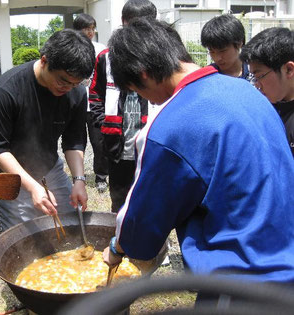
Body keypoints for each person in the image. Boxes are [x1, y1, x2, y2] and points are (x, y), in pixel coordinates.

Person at [103, 17, 294, 305]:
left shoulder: (170, 127)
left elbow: (144, 219)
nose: (148, 101)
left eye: (138, 91)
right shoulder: (247, 91)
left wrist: (118, 247)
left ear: (143, 75)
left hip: (245, 280)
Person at [0, 29, 95, 233]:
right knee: (21, 238)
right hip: (10, 175)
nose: (68, 88)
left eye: (76, 83)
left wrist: (79, 180)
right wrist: (33, 187)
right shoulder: (7, 90)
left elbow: (74, 141)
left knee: (72, 226)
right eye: (63, 80)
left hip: (49, 168)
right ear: (44, 61)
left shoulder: (76, 92)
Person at [89, 0, 157, 213]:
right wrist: (103, 123)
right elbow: (95, 94)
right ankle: (118, 236)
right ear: (123, 22)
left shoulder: (159, 56)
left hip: (151, 140)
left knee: (150, 196)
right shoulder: (106, 58)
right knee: (119, 196)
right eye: (133, 24)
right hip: (117, 141)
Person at [240, 27, 294, 156]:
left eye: (260, 76)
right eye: (253, 77)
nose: (257, 85)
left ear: (289, 70)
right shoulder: (266, 108)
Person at [73, 13, 109, 194]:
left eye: (92, 28)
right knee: (76, 142)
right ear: (78, 30)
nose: (90, 32)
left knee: (99, 142)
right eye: (86, 28)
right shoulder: (71, 49)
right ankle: (77, 175)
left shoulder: (101, 49)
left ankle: (101, 176)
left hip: (95, 104)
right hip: (76, 104)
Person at [201, 14, 250, 79]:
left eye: (222, 51)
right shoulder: (206, 77)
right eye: (212, 51)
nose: (217, 58)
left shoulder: (256, 74)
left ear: (239, 44)